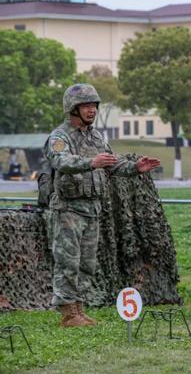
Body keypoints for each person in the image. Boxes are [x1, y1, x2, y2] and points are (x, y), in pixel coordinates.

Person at [44, 84, 160, 327]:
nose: (92, 110)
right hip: (68, 209)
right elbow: (60, 160)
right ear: (73, 108)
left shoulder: (95, 137)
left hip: (92, 209)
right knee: (68, 261)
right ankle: (67, 312)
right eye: (86, 106)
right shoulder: (59, 137)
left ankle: (78, 308)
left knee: (86, 263)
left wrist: (135, 168)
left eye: (94, 106)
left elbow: (111, 164)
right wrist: (90, 162)